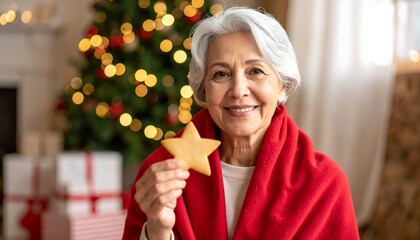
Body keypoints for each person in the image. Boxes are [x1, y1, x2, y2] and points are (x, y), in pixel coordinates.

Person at [123, 6, 360, 240]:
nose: (238, 90)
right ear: (203, 90)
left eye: (255, 71)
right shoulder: (158, 174)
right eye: (221, 74)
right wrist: (157, 230)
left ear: (282, 86)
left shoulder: (324, 183)